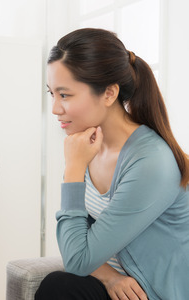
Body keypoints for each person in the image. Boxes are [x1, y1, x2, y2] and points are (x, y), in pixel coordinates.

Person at [36, 28, 189, 300]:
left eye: (65, 95)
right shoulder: (87, 145)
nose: (55, 109)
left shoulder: (151, 161)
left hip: (151, 293)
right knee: (59, 285)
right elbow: (76, 245)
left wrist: (73, 170)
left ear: (108, 93)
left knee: (59, 287)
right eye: (52, 94)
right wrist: (109, 276)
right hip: (120, 285)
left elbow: (77, 259)